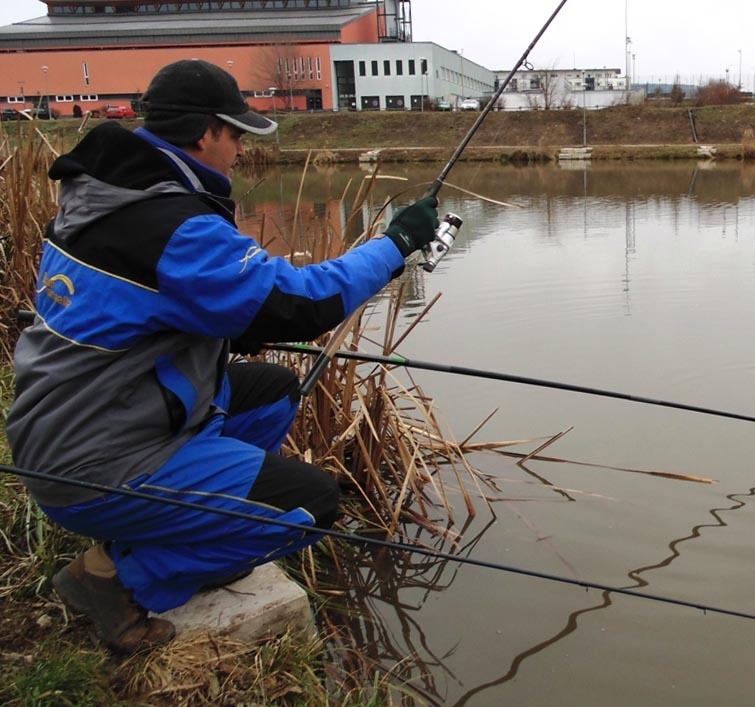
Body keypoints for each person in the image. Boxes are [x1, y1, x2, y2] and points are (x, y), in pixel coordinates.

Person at [5, 59, 440, 653]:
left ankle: (193, 522)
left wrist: (231, 326)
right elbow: (301, 304)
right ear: (205, 133)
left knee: (273, 391)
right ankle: (116, 578)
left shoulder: (106, 193)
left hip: (71, 428)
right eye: (236, 134)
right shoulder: (169, 223)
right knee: (310, 505)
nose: (240, 149)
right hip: (96, 464)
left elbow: (143, 307)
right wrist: (397, 243)